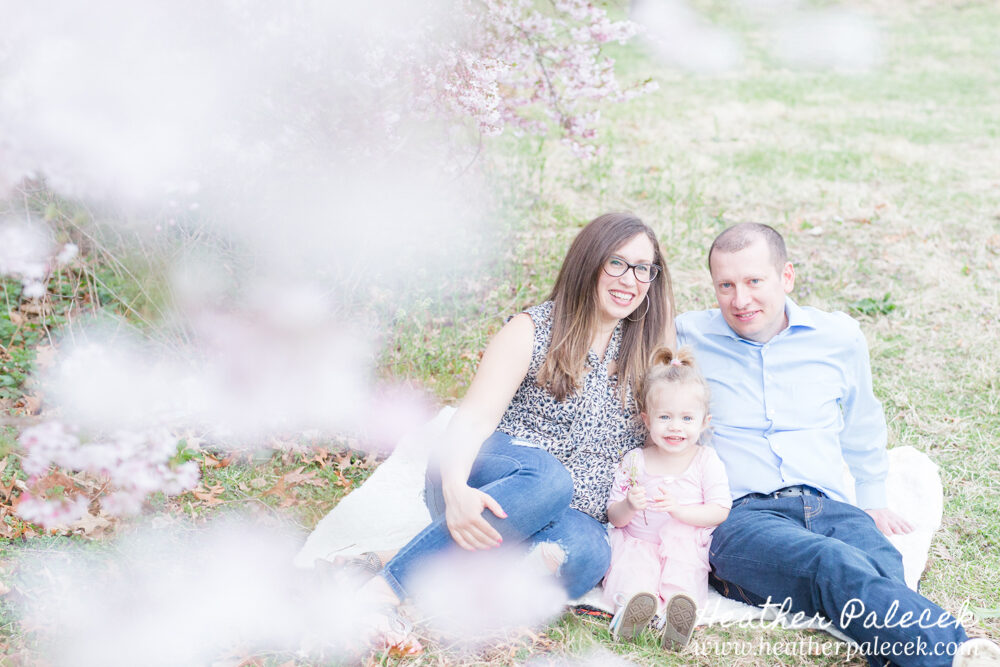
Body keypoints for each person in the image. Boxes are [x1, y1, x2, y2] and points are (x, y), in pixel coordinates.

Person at [676, 222, 1000, 667]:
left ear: (786, 276)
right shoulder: (687, 337)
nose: (740, 299)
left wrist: (871, 498)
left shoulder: (838, 337)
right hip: (742, 517)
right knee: (830, 562)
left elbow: (863, 419)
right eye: (726, 285)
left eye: (754, 281)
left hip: (833, 507)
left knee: (882, 567)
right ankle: (953, 652)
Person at [355, 212, 676, 652]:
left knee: (587, 552)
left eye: (644, 268)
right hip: (490, 479)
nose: (631, 279)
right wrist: (454, 491)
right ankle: (383, 592)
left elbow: (675, 426)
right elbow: (471, 422)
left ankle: (434, 585)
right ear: (589, 263)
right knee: (550, 480)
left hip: (569, 514)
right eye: (616, 263)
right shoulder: (532, 330)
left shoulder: (649, 349)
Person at [602, 346, 731, 650]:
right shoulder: (635, 460)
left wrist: (679, 511)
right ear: (647, 420)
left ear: (704, 422)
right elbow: (614, 516)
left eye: (687, 418)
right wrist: (629, 505)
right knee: (633, 575)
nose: (676, 426)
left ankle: (678, 617)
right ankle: (632, 612)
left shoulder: (706, 460)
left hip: (684, 544)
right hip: (638, 542)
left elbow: (719, 509)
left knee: (683, 579)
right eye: (665, 417)